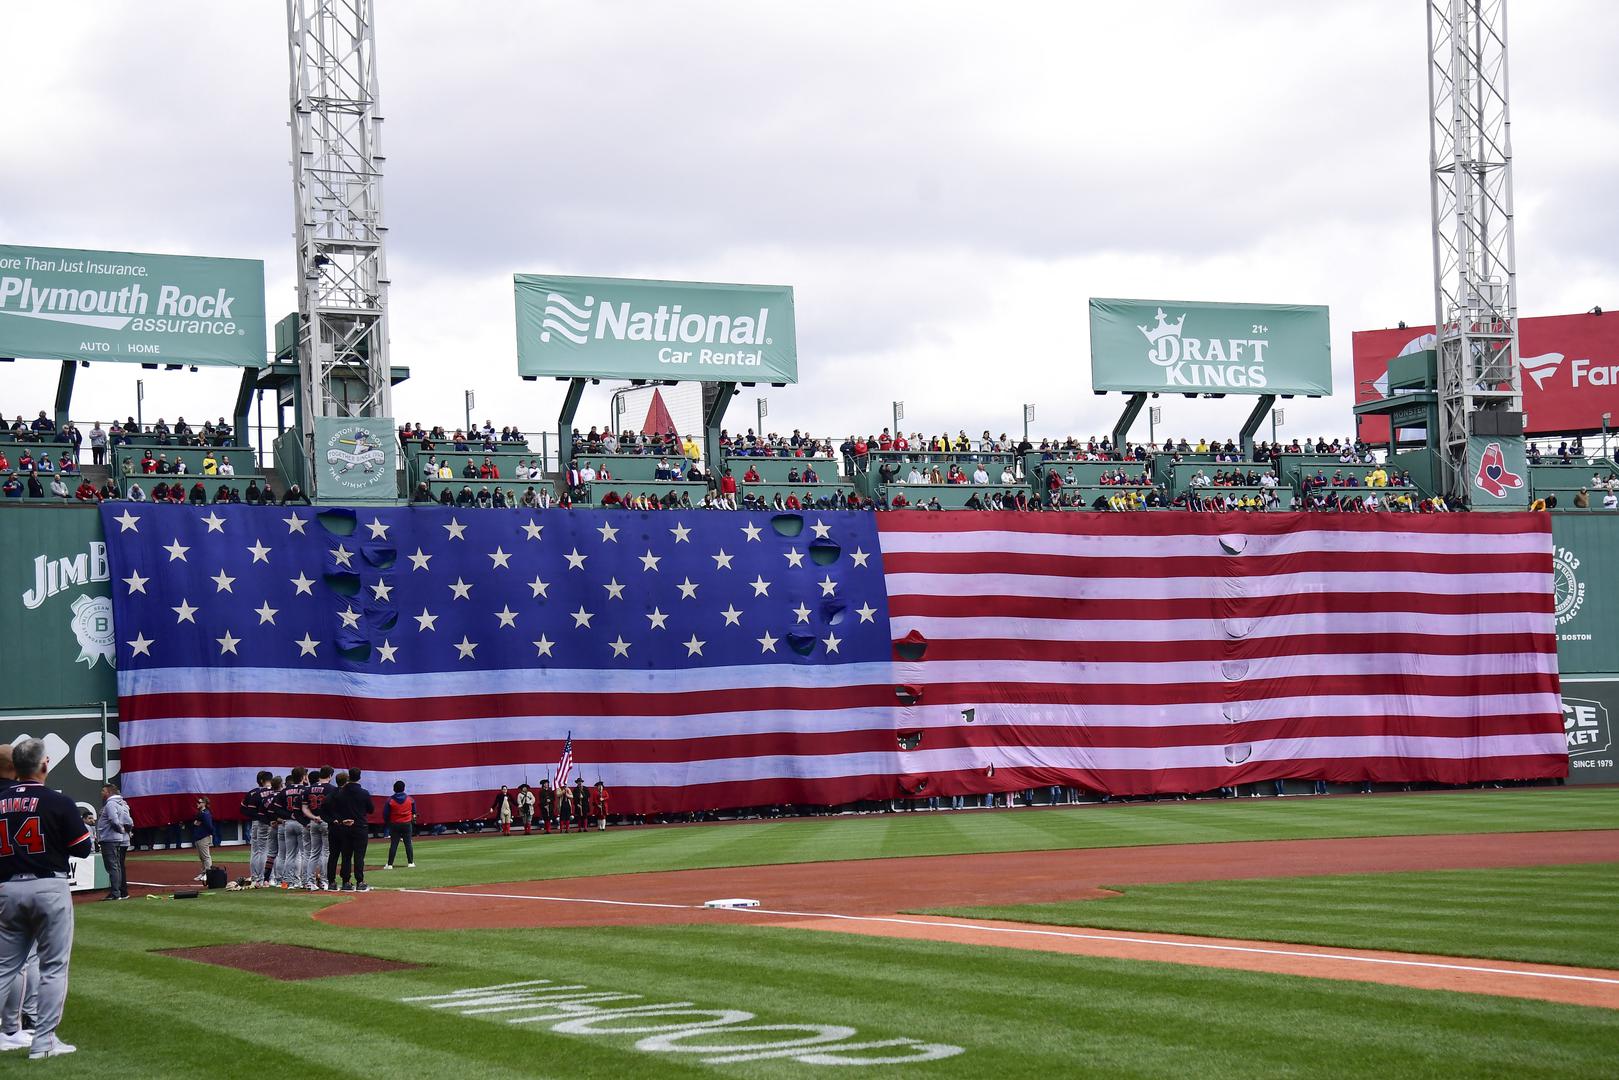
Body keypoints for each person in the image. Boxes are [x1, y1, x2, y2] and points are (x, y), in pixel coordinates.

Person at [0, 738, 93, 1058]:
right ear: (44, 765)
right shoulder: (57, 801)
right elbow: (82, 847)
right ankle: (43, 1043)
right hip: (48, 886)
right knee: (53, 967)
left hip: (7, 888)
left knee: (4, 968)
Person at [330, 769, 373, 892]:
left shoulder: (340, 793)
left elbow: (334, 809)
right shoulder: (364, 793)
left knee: (346, 855)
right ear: (359, 777)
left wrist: (342, 819)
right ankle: (360, 881)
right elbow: (371, 809)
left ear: (349, 777)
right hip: (360, 826)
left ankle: (346, 882)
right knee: (359, 856)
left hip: (345, 826)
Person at [94, 783, 133, 901]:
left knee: (112, 866)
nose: (101, 793)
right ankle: (119, 891)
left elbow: (114, 820)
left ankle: (115, 893)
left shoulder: (111, 804)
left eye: (103, 791)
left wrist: (120, 830)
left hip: (109, 838)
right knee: (117, 866)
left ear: (109, 792)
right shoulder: (121, 804)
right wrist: (124, 831)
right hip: (116, 839)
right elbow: (129, 821)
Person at [303, 766, 335, 891]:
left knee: (314, 853)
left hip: (313, 822)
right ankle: (324, 881)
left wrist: (313, 817)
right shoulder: (332, 789)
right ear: (330, 775)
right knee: (326, 852)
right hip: (326, 822)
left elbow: (304, 808)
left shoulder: (309, 789)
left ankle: (310, 881)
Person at [239, 771, 274, 887]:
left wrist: (256, 817)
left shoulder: (253, 793)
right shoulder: (276, 791)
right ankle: (270, 878)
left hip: (257, 823)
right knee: (272, 852)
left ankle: (256, 877)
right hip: (274, 823)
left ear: (260, 781)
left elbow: (244, 809)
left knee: (256, 851)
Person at [275, 768, 308, 890]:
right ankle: (302, 881)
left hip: (288, 823)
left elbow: (276, 809)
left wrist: (289, 815)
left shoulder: (285, 790)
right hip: (302, 823)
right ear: (303, 777)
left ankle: (287, 882)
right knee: (304, 854)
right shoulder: (305, 790)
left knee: (290, 854)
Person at [382, 781, 416, 869]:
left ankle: (390, 864)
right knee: (408, 843)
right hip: (407, 823)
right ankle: (411, 862)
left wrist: (388, 823)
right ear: (404, 788)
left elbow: (385, 814)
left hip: (395, 824)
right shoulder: (410, 799)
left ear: (394, 789)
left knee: (394, 844)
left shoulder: (390, 800)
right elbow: (414, 812)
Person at [190, 797, 215, 882]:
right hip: (198, 837)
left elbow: (209, 826)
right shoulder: (200, 813)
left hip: (204, 837)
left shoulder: (205, 813)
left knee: (206, 857)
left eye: (199, 802)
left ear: (204, 803)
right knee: (202, 857)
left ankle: (209, 874)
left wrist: (211, 834)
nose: (197, 803)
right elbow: (194, 823)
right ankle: (204, 872)